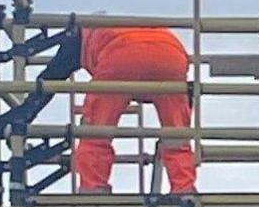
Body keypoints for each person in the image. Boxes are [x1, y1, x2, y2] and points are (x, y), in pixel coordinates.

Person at [29, 24, 197, 194]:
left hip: (121, 54)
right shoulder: (125, 25)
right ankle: (184, 188)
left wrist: (23, 118)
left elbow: (50, 79)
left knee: (96, 130)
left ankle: (93, 189)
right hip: (172, 54)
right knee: (177, 133)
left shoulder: (79, 36)